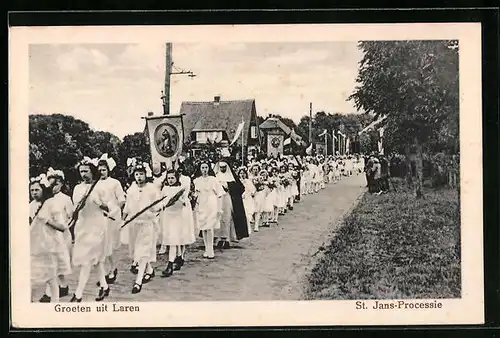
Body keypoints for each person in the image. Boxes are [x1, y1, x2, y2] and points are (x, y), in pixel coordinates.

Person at [70, 157, 113, 302]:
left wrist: (101, 204)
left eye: (86, 171)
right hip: (82, 226)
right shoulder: (77, 188)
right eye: (81, 171)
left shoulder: (100, 187)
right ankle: (105, 287)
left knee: (88, 261)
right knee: (95, 261)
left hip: (97, 226)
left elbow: (110, 207)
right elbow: (75, 207)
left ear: (92, 171)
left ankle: (78, 294)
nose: (83, 174)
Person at [30, 174, 70, 303]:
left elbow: (63, 227)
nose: (34, 193)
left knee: (51, 277)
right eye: (32, 190)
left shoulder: (51, 204)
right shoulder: (30, 205)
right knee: (32, 276)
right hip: (34, 246)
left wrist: (47, 221)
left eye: (37, 190)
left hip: (50, 246)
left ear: (43, 189)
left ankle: (55, 303)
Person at [122, 160, 159, 294]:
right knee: (137, 251)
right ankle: (149, 270)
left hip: (147, 224)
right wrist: (123, 218)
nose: (139, 177)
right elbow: (127, 206)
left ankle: (138, 281)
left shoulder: (152, 189)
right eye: (137, 174)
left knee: (143, 251)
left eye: (141, 174)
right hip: (134, 223)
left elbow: (157, 207)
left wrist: (155, 209)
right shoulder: (131, 189)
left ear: (146, 175)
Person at [44, 167, 73, 300]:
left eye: (56, 184)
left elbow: (72, 217)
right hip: (50, 236)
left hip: (63, 235)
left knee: (58, 264)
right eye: (51, 185)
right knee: (51, 263)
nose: (53, 187)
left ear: (61, 184)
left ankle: (51, 292)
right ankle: (60, 287)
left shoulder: (65, 199)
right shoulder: (46, 200)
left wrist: (66, 228)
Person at [97, 154, 125, 285]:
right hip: (99, 217)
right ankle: (106, 272)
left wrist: (113, 211)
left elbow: (121, 200)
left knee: (111, 245)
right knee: (101, 246)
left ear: (108, 170)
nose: (101, 172)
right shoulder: (94, 184)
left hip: (112, 217)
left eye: (103, 169)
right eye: (99, 169)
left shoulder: (115, 183)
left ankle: (113, 270)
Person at [159, 169, 194, 277]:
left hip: (177, 217)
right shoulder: (165, 189)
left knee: (173, 240)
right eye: (168, 178)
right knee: (170, 238)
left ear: (177, 178)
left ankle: (170, 264)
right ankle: (179, 257)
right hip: (167, 217)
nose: (170, 180)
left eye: (172, 178)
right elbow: (161, 201)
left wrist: (179, 200)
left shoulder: (180, 189)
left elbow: (184, 202)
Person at [214, 160, 249, 249]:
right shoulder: (215, 176)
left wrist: (229, 187)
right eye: (221, 167)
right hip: (218, 200)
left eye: (224, 167)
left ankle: (227, 239)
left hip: (228, 199)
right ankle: (218, 239)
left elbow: (240, 188)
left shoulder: (232, 177)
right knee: (218, 219)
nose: (222, 169)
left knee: (227, 219)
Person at [192, 161, 224, 259]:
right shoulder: (197, 180)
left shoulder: (213, 180)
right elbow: (196, 194)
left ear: (209, 168)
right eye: (202, 168)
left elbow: (220, 194)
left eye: (206, 167)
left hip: (211, 203)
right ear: (200, 169)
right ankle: (206, 249)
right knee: (204, 227)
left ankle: (211, 249)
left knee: (210, 227)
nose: (204, 170)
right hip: (202, 203)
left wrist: (219, 207)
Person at [238, 167, 256, 235]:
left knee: (247, 215)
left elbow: (253, 190)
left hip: (247, 199)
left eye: (243, 173)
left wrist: (251, 193)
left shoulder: (248, 181)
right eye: (241, 173)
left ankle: (248, 230)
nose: (242, 175)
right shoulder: (238, 181)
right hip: (240, 200)